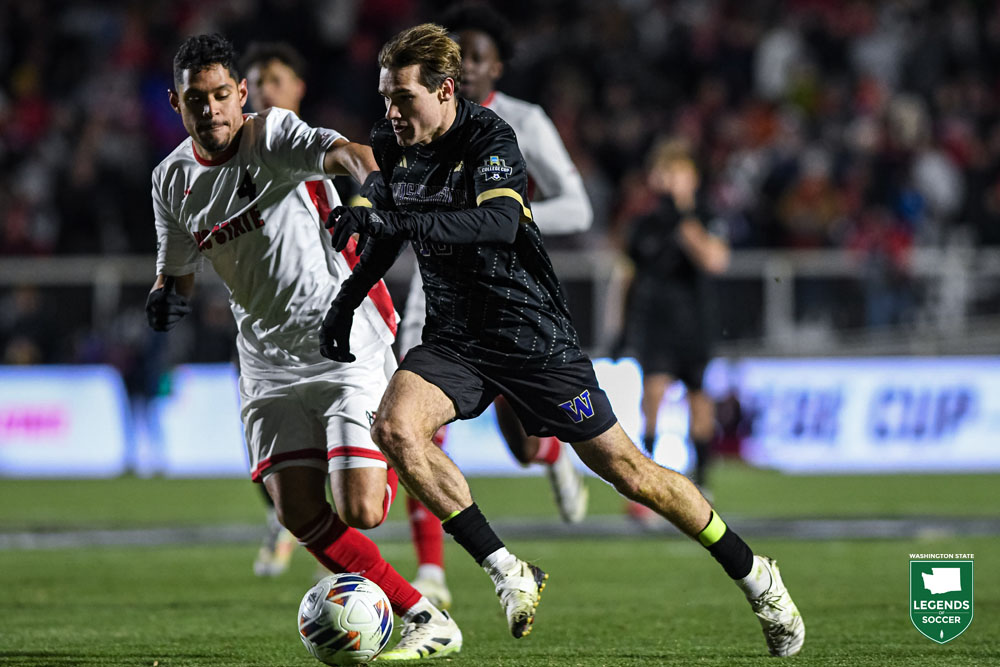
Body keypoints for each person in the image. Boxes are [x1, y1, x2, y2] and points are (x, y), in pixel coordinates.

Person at [319, 23, 805, 656]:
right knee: (395, 429)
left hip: (531, 336)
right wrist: (346, 301)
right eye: (385, 98)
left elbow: (498, 221)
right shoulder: (394, 142)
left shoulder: (490, 138)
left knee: (631, 473)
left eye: (403, 98)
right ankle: (507, 570)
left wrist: (392, 219)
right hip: (455, 337)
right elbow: (384, 234)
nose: (390, 113)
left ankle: (755, 574)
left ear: (444, 90)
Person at [146, 33, 461, 660]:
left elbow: (352, 154)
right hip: (265, 363)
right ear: (177, 104)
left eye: (220, 95)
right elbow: (175, 270)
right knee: (298, 512)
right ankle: (422, 614)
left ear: (241, 94)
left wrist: (368, 192)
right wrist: (164, 296)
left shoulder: (272, 134)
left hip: (341, 341)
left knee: (362, 509)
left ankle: (403, 437)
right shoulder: (170, 180)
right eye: (195, 100)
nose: (210, 109)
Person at [398, 2, 594, 611]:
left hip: (506, 297)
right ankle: (432, 569)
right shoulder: (416, 120)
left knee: (524, 445)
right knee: (408, 425)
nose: (466, 69)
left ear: (497, 67)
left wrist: (505, 214)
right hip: (434, 293)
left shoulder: (522, 122)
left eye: (477, 58)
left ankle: (553, 453)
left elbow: (578, 208)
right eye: (456, 57)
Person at [237, 40, 311, 579]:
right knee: (262, 441)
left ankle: (328, 536)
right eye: (258, 82)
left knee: (337, 440)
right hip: (259, 323)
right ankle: (284, 521)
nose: (266, 90)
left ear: (298, 88)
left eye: (276, 80)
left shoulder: (318, 151)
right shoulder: (229, 158)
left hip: (324, 322)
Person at [624, 142, 730, 496]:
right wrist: (619, 328)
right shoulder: (644, 225)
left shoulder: (707, 218)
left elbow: (714, 261)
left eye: (678, 174)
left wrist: (683, 222)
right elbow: (627, 276)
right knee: (653, 394)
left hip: (695, 323)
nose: (671, 181)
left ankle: (702, 480)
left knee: (699, 399)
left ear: (693, 179)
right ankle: (648, 479)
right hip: (656, 324)